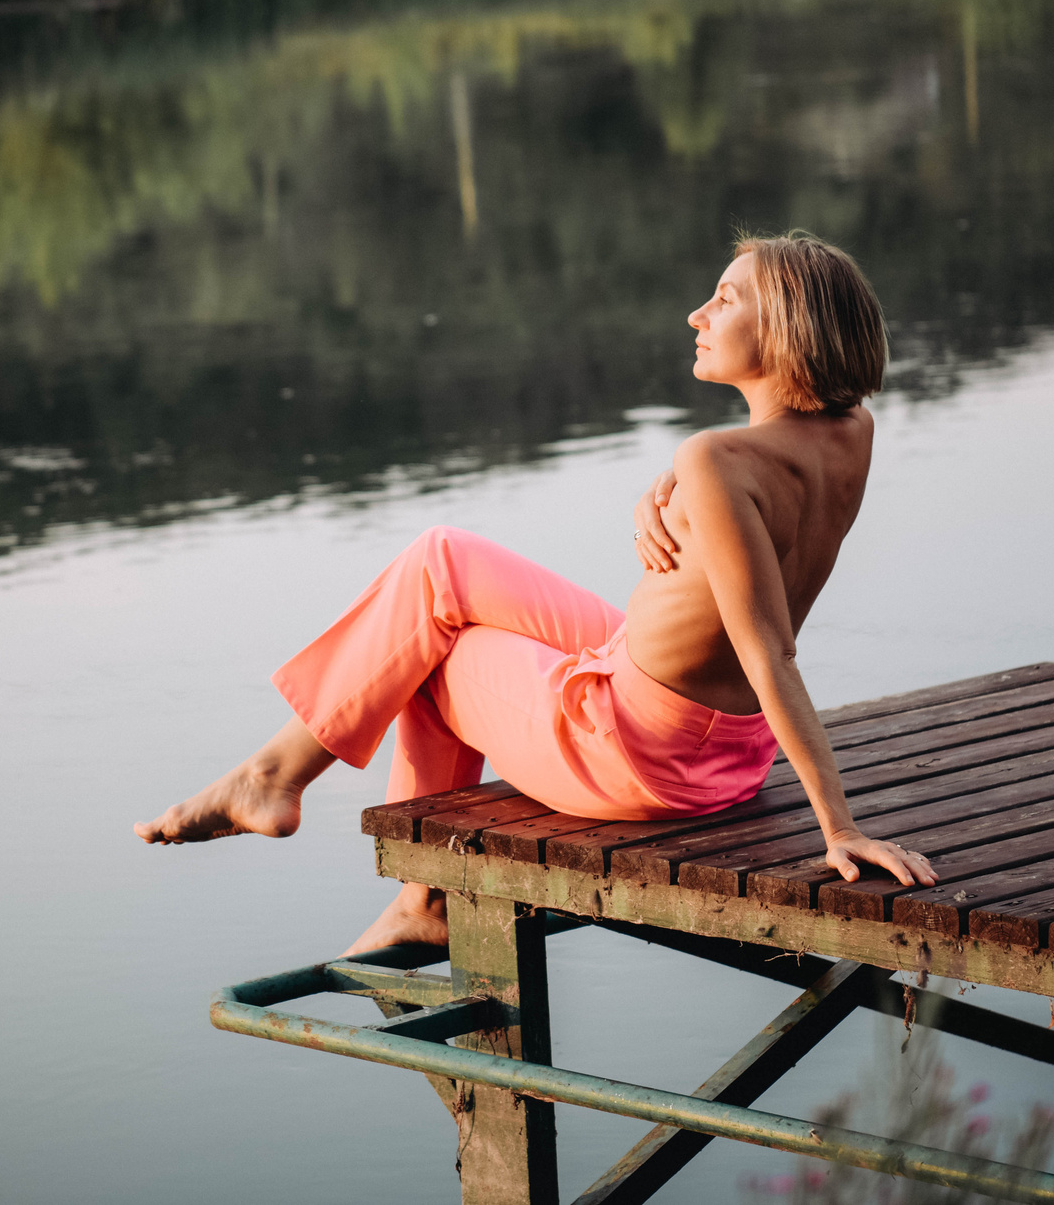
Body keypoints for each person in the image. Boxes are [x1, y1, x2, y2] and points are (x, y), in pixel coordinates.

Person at [134, 231, 936, 954]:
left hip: (639, 752)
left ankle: (414, 891)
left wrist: (840, 825)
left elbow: (770, 651)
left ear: (788, 328)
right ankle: (276, 778)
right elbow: (763, 518)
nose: (697, 312)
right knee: (440, 561)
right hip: (728, 743)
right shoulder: (850, 432)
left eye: (726, 299)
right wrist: (670, 488)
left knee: (427, 654)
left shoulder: (718, 462)